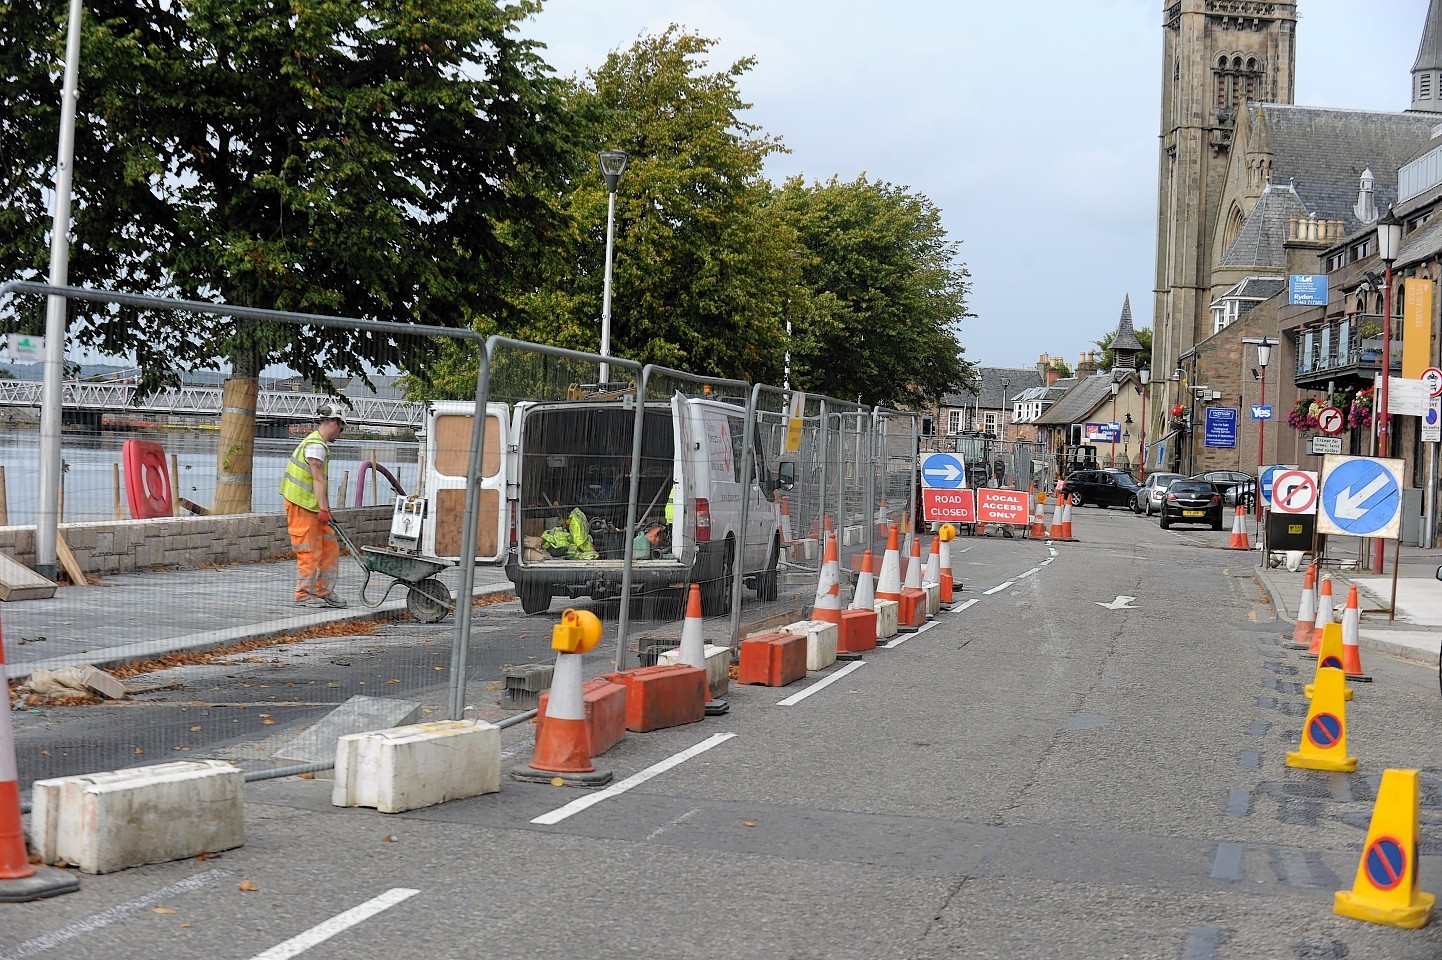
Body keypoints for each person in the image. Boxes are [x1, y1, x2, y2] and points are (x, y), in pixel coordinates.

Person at [280, 401, 348, 607]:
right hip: (301, 505)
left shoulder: (319, 444)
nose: (341, 433)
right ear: (334, 423)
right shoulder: (316, 446)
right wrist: (324, 508)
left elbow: (320, 482)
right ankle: (304, 594)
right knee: (309, 550)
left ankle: (323, 590)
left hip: (313, 506)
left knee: (329, 548)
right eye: (342, 428)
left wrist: (324, 508)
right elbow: (317, 479)